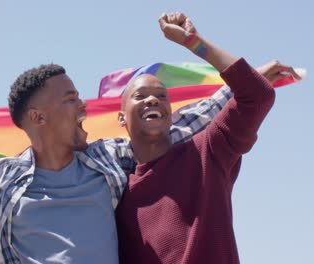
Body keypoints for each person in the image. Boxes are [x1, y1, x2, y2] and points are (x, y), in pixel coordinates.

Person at [0, 12, 294, 264]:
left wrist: (244, 81)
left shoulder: (109, 164)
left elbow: (175, 125)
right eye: (71, 99)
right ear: (38, 117)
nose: (83, 107)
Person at [114, 12, 300, 264]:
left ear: (172, 114)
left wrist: (193, 42)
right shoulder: (116, 194)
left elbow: (257, 94)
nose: (152, 99)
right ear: (122, 118)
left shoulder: (207, 152)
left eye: (161, 95)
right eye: (140, 95)